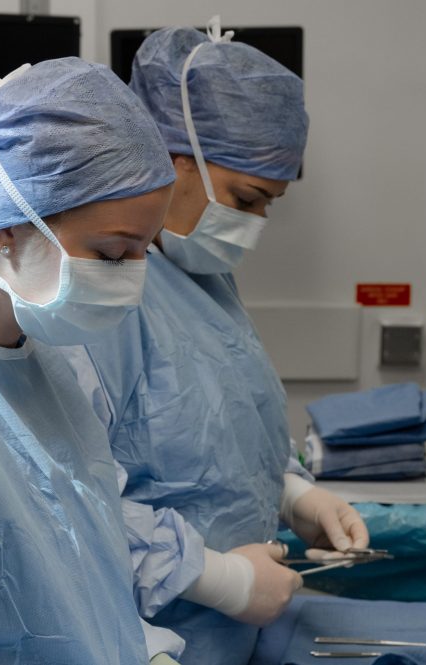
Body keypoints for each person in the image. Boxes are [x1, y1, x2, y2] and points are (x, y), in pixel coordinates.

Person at [65, 20, 369, 665]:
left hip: (226, 638)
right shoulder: (99, 295)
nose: (255, 224)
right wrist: (217, 579)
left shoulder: (201, 277)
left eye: (270, 204)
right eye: (247, 197)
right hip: (142, 639)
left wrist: (294, 495)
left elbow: (218, 432)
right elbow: (58, 494)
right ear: (173, 161)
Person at [0, 58, 183, 665]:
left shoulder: (52, 365)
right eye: (112, 252)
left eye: (144, 251)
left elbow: (82, 573)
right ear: (7, 229)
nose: (132, 280)